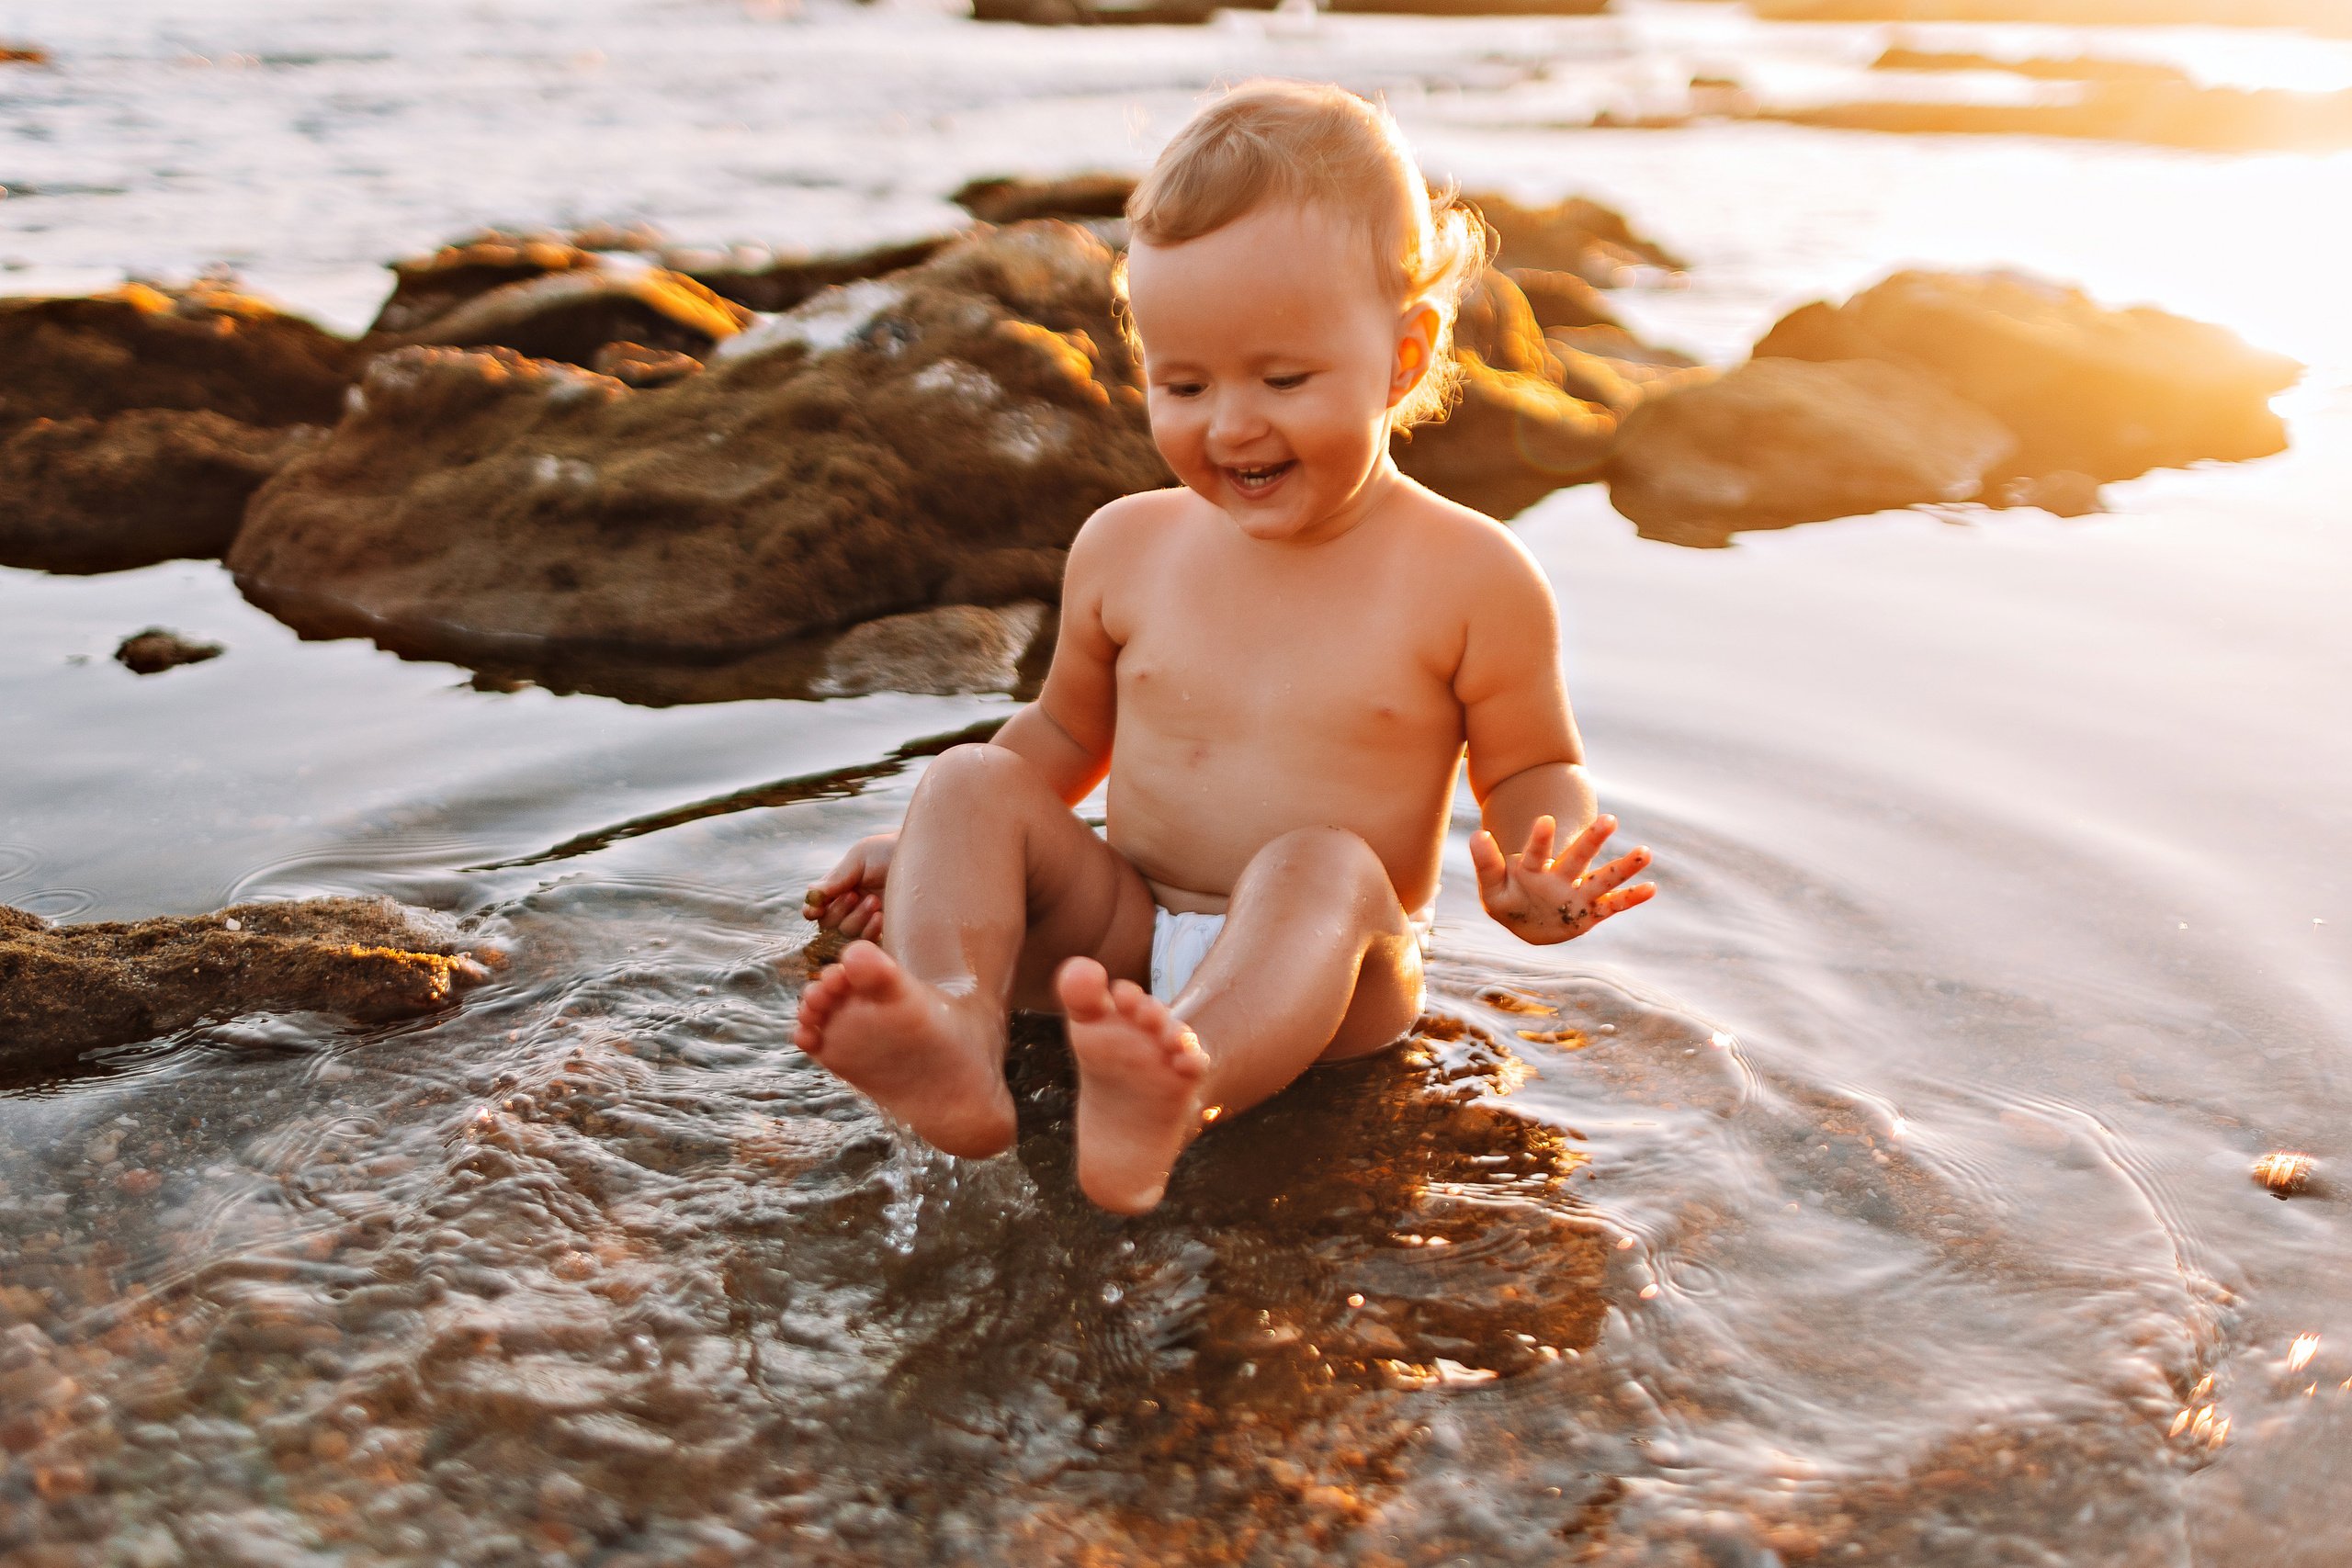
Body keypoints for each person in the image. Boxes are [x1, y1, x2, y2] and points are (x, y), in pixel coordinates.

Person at [794, 80, 1655, 1214]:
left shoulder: (1471, 575)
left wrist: (1538, 870)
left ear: (1403, 361)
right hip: (1125, 927)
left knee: (1321, 862)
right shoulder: (1126, 545)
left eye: (1282, 380)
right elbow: (1058, 738)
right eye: (1182, 384)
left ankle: (1173, 1084)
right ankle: (952, 1026)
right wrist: (928, 851)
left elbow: (1532, 763)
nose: (1229, 424)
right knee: (966, 777)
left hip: (1330, 985)